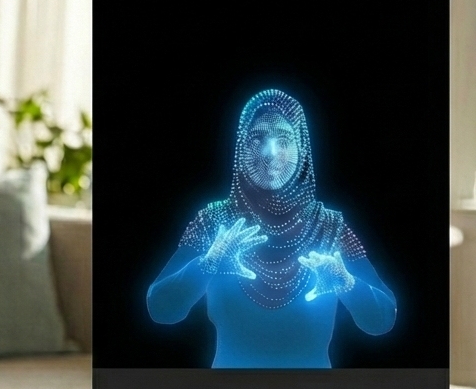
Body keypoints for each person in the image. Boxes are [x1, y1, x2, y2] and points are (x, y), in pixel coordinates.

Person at [146, 89, 396, 368]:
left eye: (284, 140)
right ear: (241, 149)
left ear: (302, 149)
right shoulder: (213, 221)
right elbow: (160, 309)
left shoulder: (330, 227)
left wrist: (347, 283)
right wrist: (207, 265)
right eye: (257, 139)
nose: (270, 153)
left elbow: (384, 319)